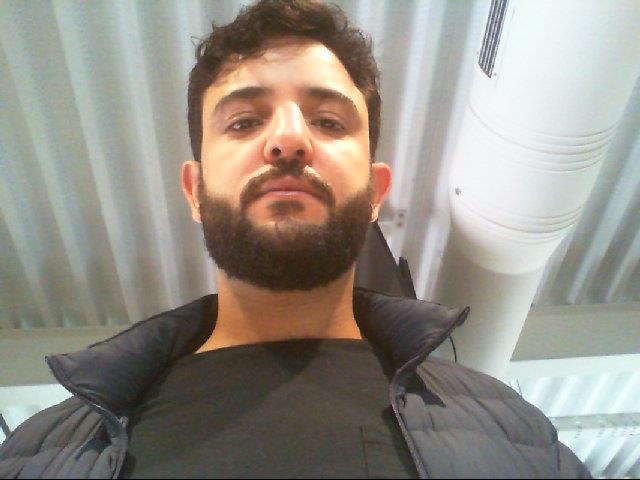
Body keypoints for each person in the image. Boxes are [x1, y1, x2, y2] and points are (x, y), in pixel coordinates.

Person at [0, 0, 592, 478]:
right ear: (195, 190)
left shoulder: (519, 437)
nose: (288, 139)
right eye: (244, 121)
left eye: (328, 121)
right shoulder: (37, 455)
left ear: (375, 192)